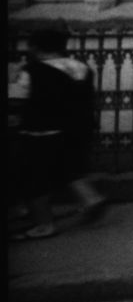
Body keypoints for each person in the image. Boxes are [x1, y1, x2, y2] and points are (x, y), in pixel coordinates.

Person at [8, 26, 107, 240]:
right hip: (78, 129)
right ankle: (90, 198)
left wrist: (12, 79)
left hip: (41, 131)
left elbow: (17, 100)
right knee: (69, 168)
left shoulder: (32, 71)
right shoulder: (81, 68)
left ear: (35, 47)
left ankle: (44, 224)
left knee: (34, 178)